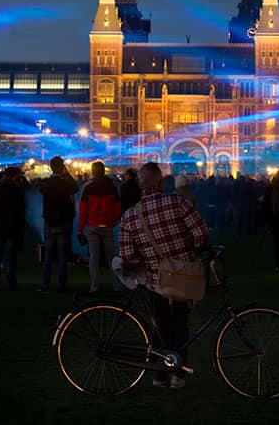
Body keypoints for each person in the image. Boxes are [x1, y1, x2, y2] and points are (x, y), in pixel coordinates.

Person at [118, 162, 209, 389]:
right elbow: (201, 234)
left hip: (155, 281)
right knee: (180, 325)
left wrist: (147, 260)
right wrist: (189, 251)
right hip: (182, 277)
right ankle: (178, 375)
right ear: (161, 182)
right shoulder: (179, 203)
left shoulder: (130, 217)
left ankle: (159, 375)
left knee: (159, 327)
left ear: (140, 185)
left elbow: (128, 257)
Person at [78, 161, 122, 293]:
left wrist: (80, 230)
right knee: (111, 258)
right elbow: (117, 207)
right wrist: (114, 221)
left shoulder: (88, 187)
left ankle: (94, 286)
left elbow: (83, 210)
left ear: (93, 171)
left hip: (93, 225)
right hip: (108, 225)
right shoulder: (112, 187)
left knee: (94, 258)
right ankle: (117, 285)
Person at [38, 157, 78, 292]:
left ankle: (45, 285)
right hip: (64, 221)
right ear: (62, 167)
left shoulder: (46, 183)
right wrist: (66, 173)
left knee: (48, 256)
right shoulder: (65, 183)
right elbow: (75, 187)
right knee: (62, 256)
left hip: (49, 221)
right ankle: (61, 285)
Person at [0, 166, 26, 291]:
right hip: (12, 226)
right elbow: (21, 209)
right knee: (11, 256)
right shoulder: (16, 189)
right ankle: (11, 282)